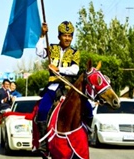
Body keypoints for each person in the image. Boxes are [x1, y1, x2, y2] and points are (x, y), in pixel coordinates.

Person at [35, 21, 93, 152]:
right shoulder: (52, 48)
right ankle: (44, 143)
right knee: (42, 110)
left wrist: (58, 69)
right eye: (64, 35)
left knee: (88, 109)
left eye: (70, 36)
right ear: (59, 36)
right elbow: (39, 52)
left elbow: (74, 70)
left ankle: (87, 135)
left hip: (69, 88)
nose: (67, 38)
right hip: (53, 87)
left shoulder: (74, 52)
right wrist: (42, 36)